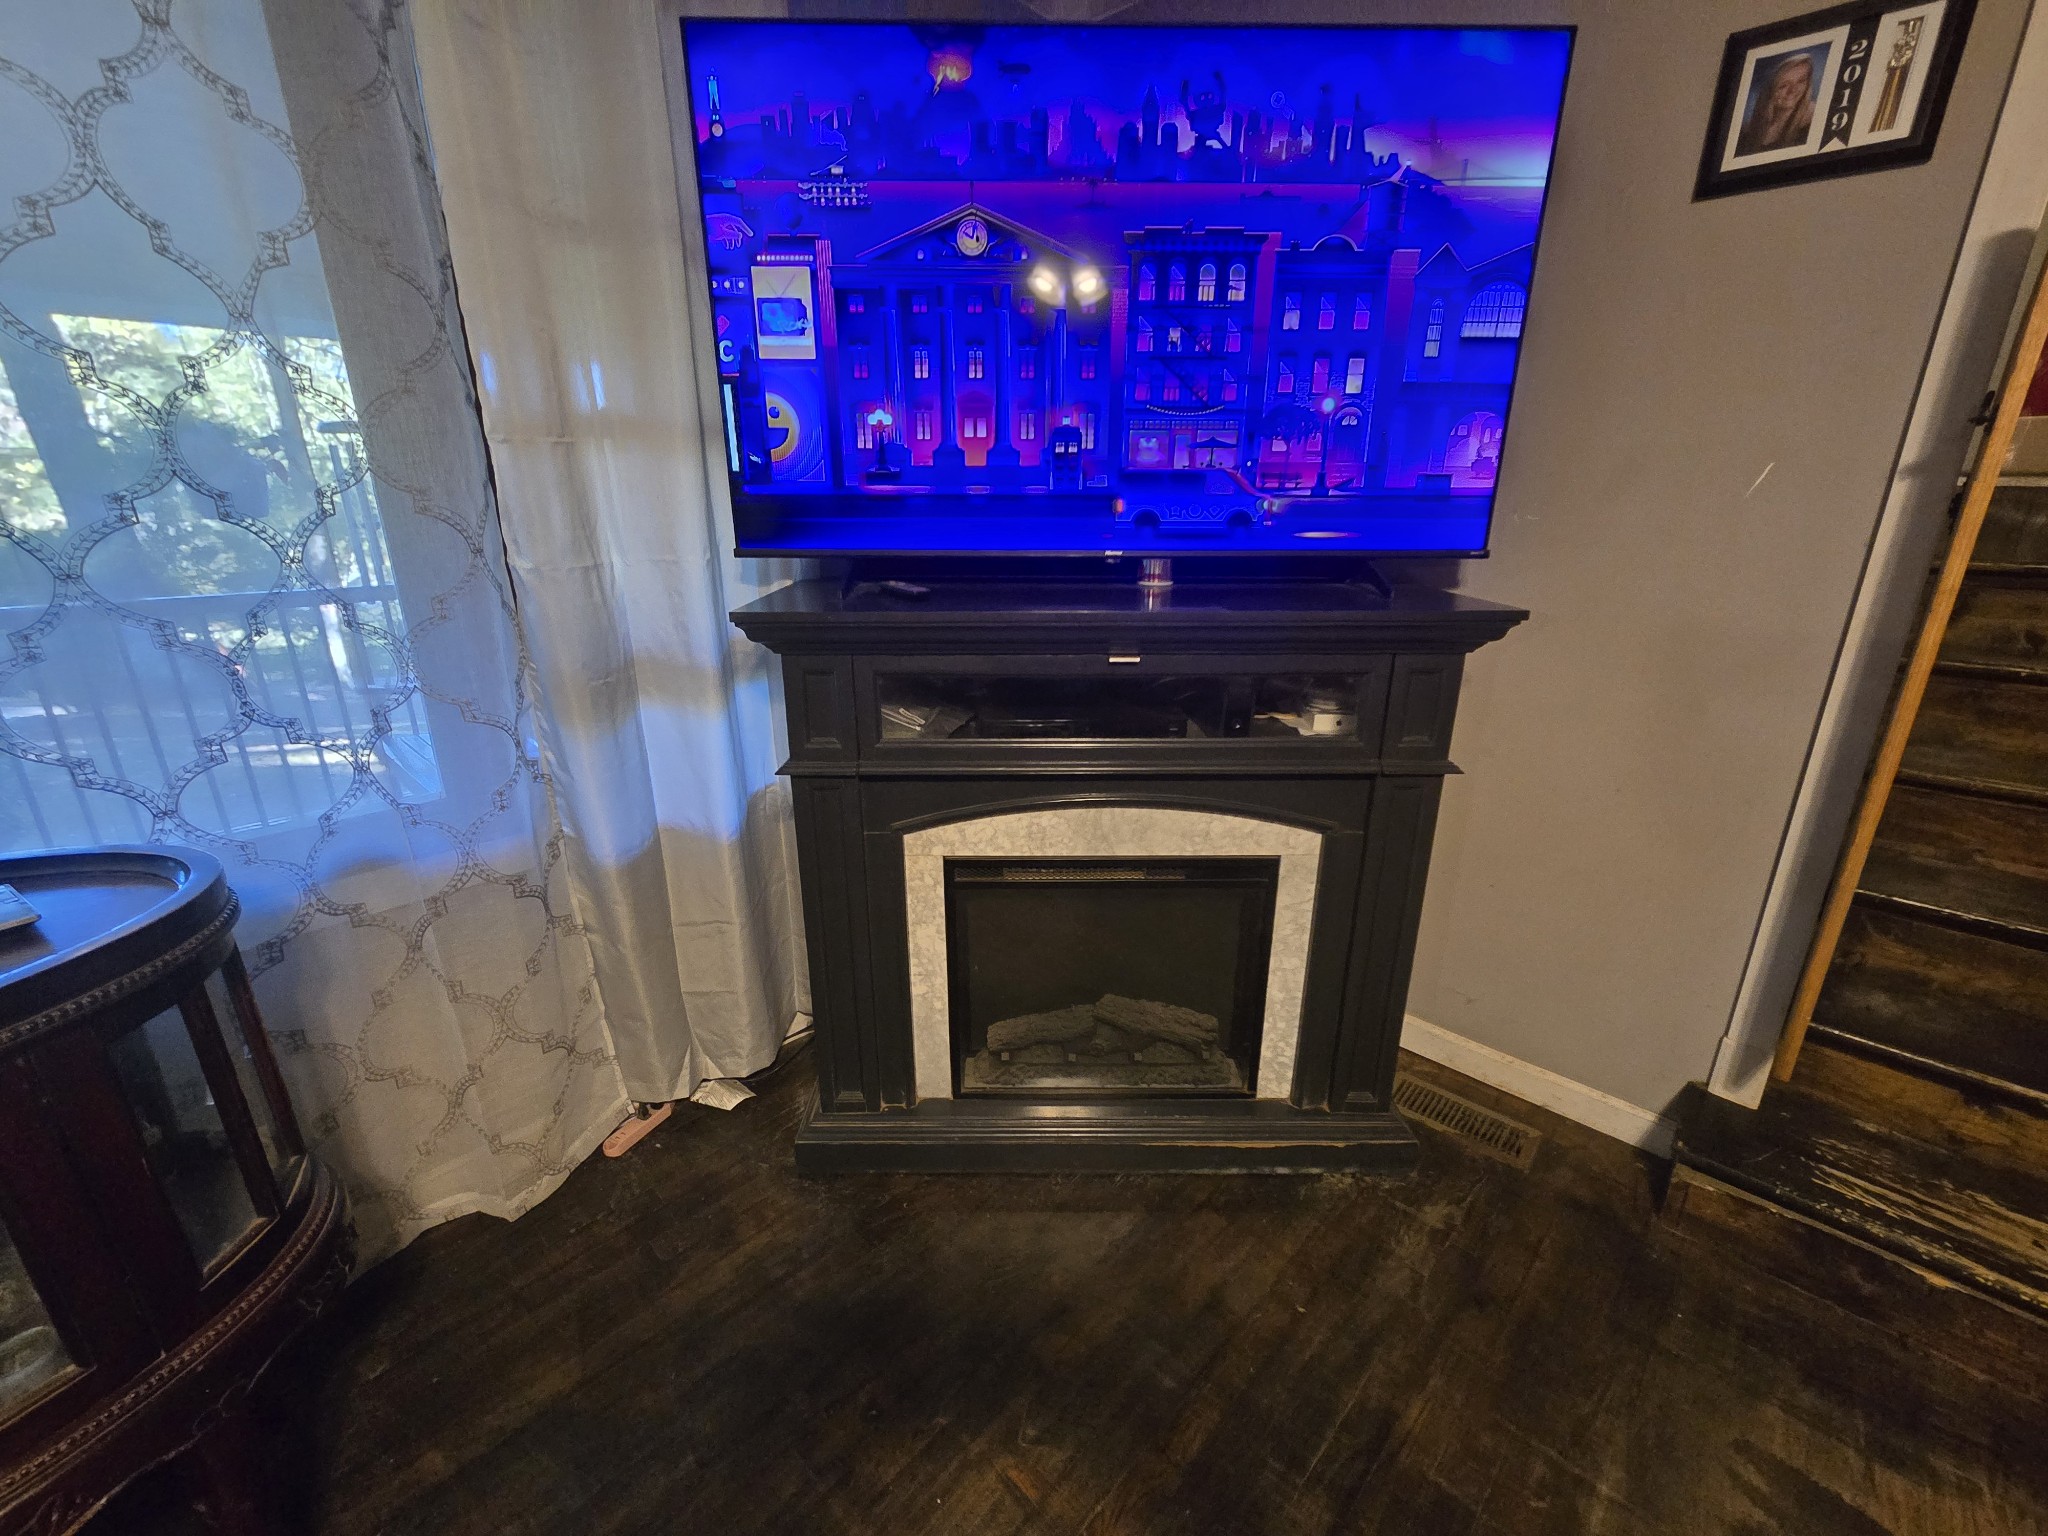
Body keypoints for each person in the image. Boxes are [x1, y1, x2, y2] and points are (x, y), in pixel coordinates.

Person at [1736, 50, 1817, 156]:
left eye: (1801, 81)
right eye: (1783, 85)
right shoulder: (1746, 133)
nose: (1793, 90)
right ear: (1769, 90)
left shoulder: (1817, 119)